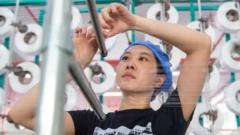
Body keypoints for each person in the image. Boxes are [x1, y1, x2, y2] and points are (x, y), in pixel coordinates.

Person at [8, 3, 211, 135]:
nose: (130, 64)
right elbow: (21, 115)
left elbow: (201, 45)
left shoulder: (167, 121)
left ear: (159, 79)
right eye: (125, 58)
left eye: (143, 59)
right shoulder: (90, 123)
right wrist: (76, 65)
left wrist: (135, 23)